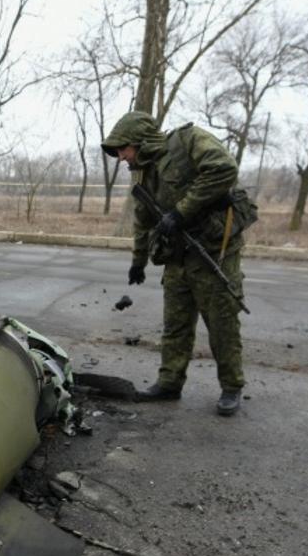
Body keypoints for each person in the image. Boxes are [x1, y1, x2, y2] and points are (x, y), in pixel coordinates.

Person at [101, 111, 256, 417]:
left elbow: (224, 169)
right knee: (176, 324)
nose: (121, 157)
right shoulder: (143, 173)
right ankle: (169, 382)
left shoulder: (188, 141)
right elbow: (142, 221)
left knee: (222, 324)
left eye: (123, 149)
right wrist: (138, 261)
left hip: (214, 252)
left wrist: (182, 212)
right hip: (178, 256)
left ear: (140, 142)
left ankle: (231, 387)